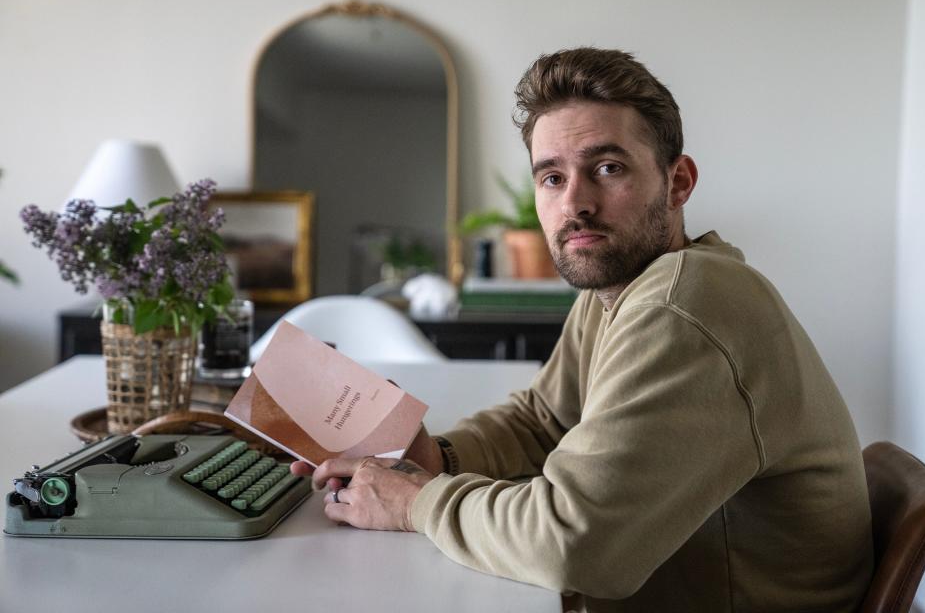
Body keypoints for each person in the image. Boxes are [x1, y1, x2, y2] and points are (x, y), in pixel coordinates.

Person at [291, 47, 874, 612]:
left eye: (607, 168)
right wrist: (438, 454)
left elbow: (573, 543)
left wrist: (415, 502)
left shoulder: (683, 306)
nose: (575, 204)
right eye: (551, 178)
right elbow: (544, 419)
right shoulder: (623, 286)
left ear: (678, 183)